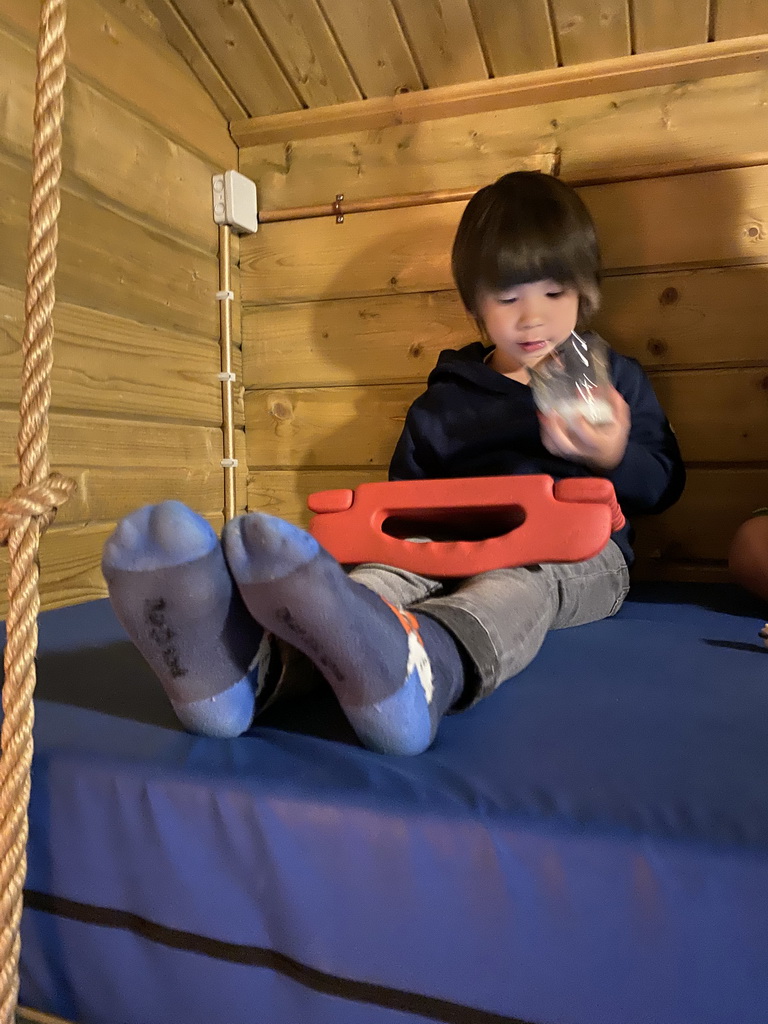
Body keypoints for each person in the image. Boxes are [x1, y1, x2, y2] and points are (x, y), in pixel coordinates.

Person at [102, 171, 685, 756]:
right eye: (509, 299)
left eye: (553, 294)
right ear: (477, 305)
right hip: (447, 546)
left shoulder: (611, 382)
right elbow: (406, 505)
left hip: (574, 552)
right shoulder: (444, 402)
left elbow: (664, 484)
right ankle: (247, 670)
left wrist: (611, 455)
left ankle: (429, 670)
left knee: (515, 583)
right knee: (377, 582)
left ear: (584, 291)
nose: (532, 317)